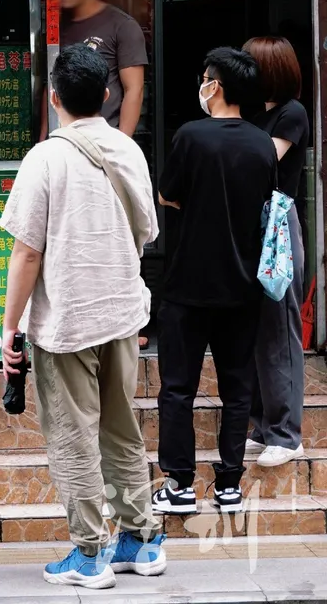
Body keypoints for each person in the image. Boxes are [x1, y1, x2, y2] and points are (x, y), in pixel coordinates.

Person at [0, 44, 164, 589]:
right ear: (108, 95)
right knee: (122, 431)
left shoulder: (45, 158)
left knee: (74, 436)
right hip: (121, 314)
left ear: (53, 98)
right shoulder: (128, 150)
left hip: (67, 321)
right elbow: (147, 233)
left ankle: (90, 553)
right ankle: (141, 541)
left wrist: (9, 327)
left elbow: (26, 253)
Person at [153, 48, 277, 517]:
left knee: (177, 387)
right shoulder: (262, 143)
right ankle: (229, 484)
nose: (202, 85)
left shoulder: (191, 136)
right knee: (237, 388)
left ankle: (180, 484)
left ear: (216, 85)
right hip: (244, 287)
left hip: (187, 284)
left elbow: (167, 194)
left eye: (205, 78)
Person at [243, 36, 309, 468]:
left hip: (278, 228)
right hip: (252, 225)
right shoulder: (251, 114)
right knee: (254, 329)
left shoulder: (292, 113)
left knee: (280, 328)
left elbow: (261, 159)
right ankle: (262, 425)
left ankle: (286, 434)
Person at [39, 0, 147, 139]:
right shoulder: (57, 28)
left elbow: (135, 90)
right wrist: (44, 139)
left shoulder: (122, 26)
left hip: (103, 143)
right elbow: (51, 85)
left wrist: (121, 144)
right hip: (63, 142)